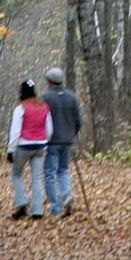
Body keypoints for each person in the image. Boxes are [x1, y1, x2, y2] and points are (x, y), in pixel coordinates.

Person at [41, 67, 84, 217]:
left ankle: (56, 208)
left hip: (52, 141)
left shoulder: (45, 98)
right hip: (67, 140)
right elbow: (78, 121)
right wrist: (71, 134)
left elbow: (41, 121)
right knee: (63, 171)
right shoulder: (72, 97)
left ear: (49, 82)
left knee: (50, 174)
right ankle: (66, 196)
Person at [7, 79, 51, 218]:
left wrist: (10, 150)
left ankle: (21, 205)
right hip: (41, 145)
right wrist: (45, 141)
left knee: (16, 174)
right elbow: (49, 129)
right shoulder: (44, 106)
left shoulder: (21, 108)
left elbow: (15, 131)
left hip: (24, 145)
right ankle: (37, 211)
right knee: (37, 177)